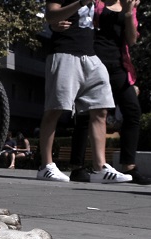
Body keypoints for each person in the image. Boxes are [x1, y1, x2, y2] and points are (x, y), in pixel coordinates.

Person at [37, 0, 131, 183]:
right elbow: (51, 15)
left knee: (101, 108)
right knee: (55, 109)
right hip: (65, 52)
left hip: (91, 56)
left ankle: (100, 168)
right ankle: (45, 166)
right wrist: (80, 3)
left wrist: (128, 11)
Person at [65, 0, 149, 184]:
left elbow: (132, 40)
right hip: (94, 60)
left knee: (132, 111)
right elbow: (80, 23)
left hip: (118, 65)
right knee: (87, 114)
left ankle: (129, 166)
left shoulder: (129, 6)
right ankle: (77, 167)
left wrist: (128, 13)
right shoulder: (96, 3)